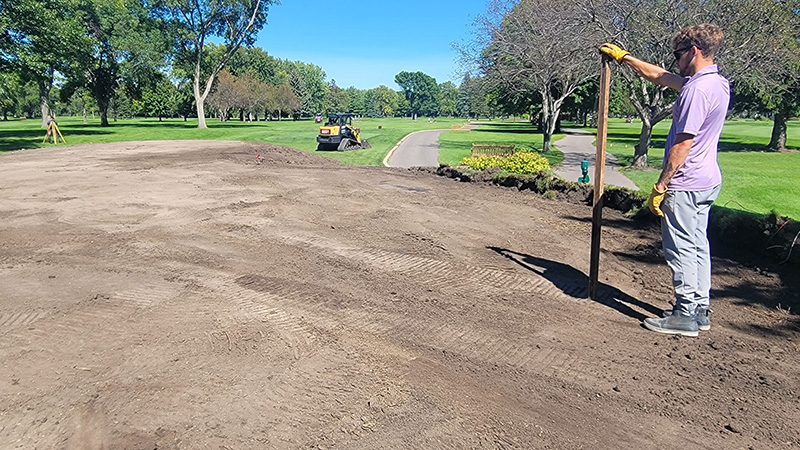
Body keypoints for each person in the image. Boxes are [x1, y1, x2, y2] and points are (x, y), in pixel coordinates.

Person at [600, 24, 730, 337]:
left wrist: (661, 185)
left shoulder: (696, 91)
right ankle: (699, 309)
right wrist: (625, 58)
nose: (675, 60)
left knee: (681, 247)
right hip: (707, 180)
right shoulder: (715, 83)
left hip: (686, 182)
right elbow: (660, 76)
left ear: (694, 51)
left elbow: (682, 143)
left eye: (679, 54)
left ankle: (684, 315)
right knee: (698, 244)